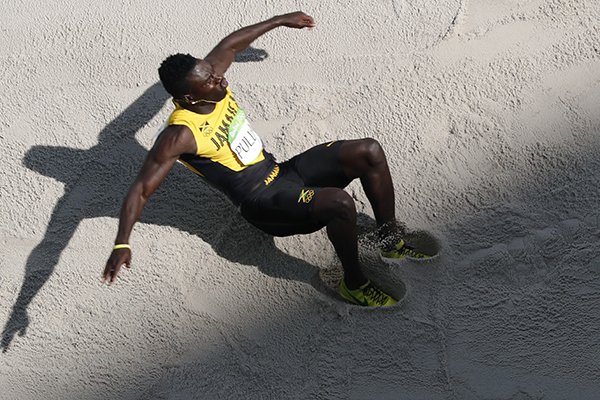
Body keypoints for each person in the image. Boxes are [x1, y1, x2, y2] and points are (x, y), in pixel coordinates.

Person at [102, 11, 429, 307]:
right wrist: (121, 244)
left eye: (214, 74)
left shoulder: (208, 76)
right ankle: (354, 284)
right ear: (188, 98)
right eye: (211, 82)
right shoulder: (179, 135)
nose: (220, 80)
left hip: (283, 171)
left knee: (368, 151)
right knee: (340, 203)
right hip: (262, 201)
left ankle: (389, 239)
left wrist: (279, 20)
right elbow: (141, 190)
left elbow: (230, 44)